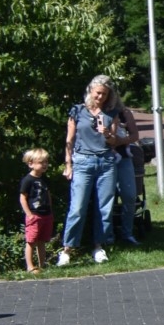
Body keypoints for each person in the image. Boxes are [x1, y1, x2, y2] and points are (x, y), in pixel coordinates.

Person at [58, 80, 120, 264]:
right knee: (77, 207)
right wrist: (68, 164)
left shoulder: (111, 113)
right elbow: (69, 140)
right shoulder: (77, 111)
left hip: (106, 163)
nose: (100, 97)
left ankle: (98, 247)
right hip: (83, 161)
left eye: (105, 94)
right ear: (91, 91)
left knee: (104, 208)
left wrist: (107, 133)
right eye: (98, 93)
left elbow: (114, 142)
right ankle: (67, 249)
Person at [91, 76, 141, 246]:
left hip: (123, 158)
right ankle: (108, 236)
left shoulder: (123, 113)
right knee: (106, 198)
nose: (104, 97)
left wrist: (120, 141)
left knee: (129, 195)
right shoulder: (91, 111)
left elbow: (135, 136)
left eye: (108, 94)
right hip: (102, 159)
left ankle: (127, 233)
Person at [20, 148, 54, 273]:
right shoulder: (28, 180)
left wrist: (50, 211)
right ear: (31, 164)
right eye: (41, 162)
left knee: (42, 241)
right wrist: (29, 214)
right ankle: (30, 266)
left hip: (46, 215)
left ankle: (42, 265)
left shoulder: (45, 179)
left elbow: (48, 195)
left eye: (46, 162)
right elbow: (23, 198)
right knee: (31, 241)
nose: (44, 164)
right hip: (34, 215)